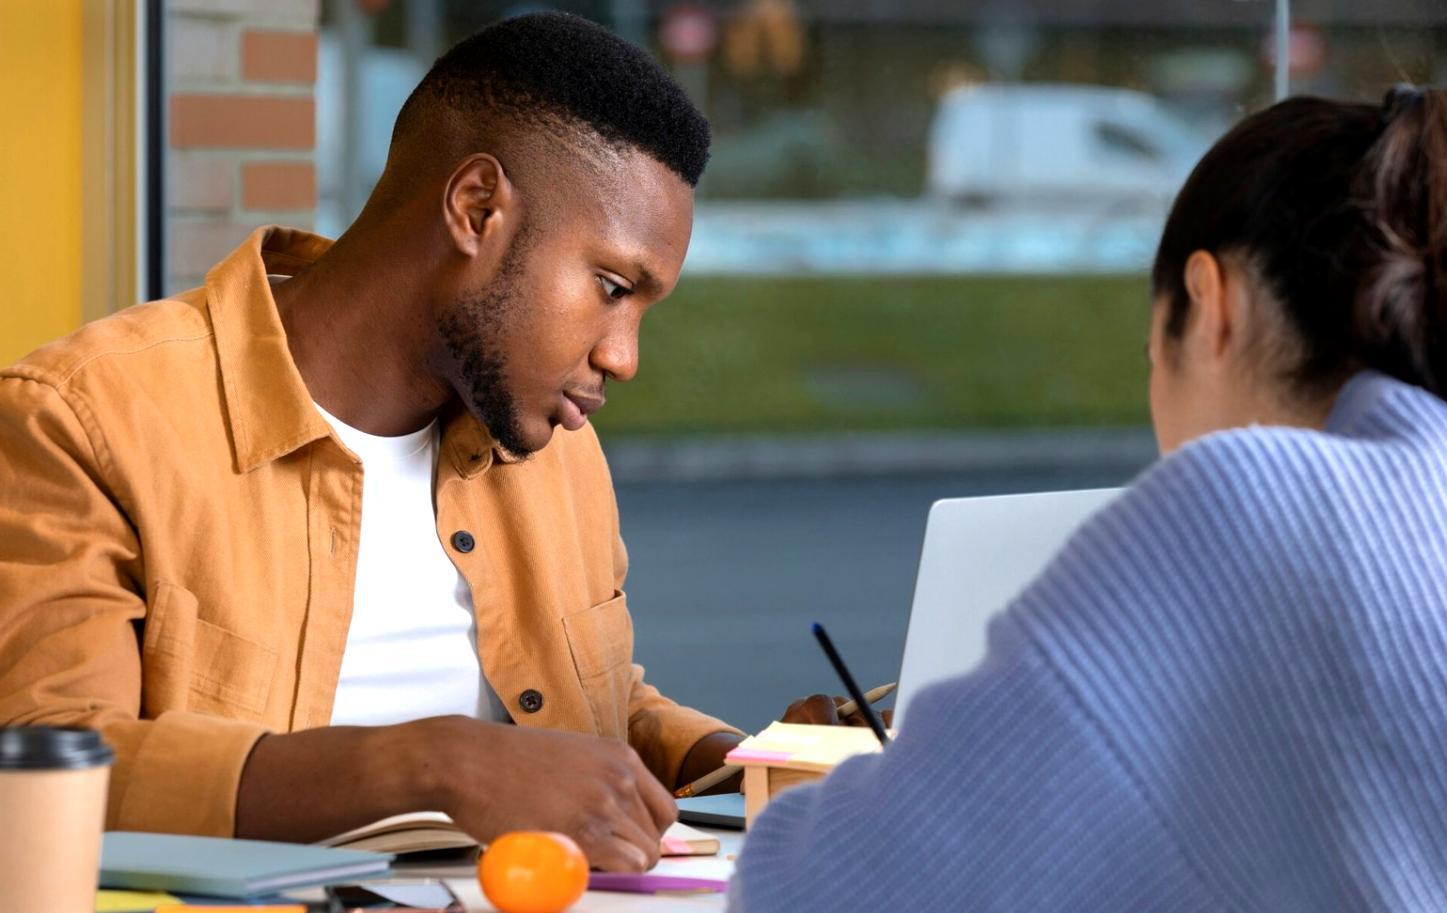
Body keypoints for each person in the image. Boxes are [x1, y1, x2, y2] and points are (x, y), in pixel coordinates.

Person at [0, 12, 841, 874]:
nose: (620, 356)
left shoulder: (545, 439)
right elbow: (49, 768)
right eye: (611, 286)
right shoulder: (83, 418)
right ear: (477, 208)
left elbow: (592, 711)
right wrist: (429, 765)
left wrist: (747, 764)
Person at [732, 85, 1447, 911]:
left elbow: (828, 890)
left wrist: (800, 803)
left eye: (1152, 350)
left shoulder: (1246, 501)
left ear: (1212, 307)